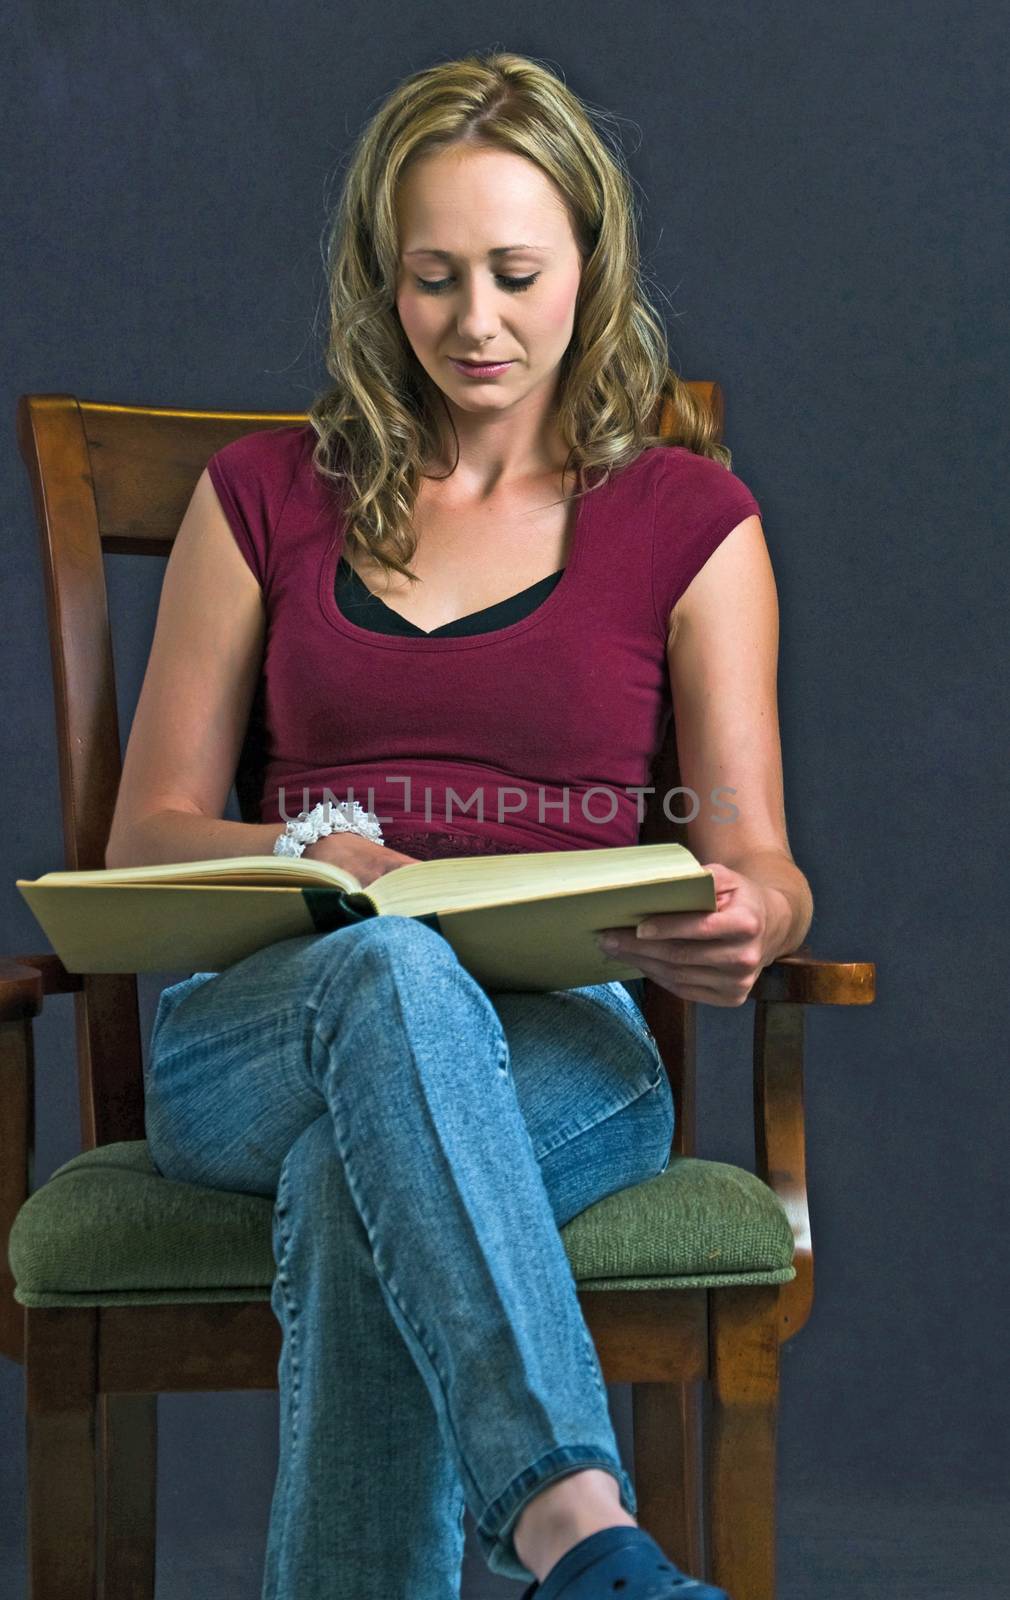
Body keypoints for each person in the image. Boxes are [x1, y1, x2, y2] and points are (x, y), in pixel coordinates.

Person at [106, 48, 813, 1600]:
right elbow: (147, 832)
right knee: (388, 975)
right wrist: (311, 859)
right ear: (381, 277)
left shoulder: (692, 519)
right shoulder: (263, 493)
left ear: (589, 268)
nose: (474, 324)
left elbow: (757, 856)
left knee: (353, 1191)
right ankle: (577, 1528)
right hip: (264, 1029)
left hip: (565, 1039)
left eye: (513, 274)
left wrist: (752, 916)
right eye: (432, 280)